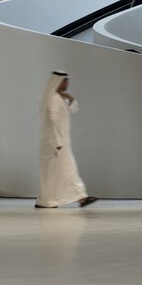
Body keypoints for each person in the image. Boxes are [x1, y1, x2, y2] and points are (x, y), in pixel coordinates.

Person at [35, 71, 98, 209]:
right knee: (54, 172)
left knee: (67, 170)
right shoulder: (52, 98)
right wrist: (57, 143)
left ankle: (81, 197)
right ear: (58, 81)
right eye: (65, 80)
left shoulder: (60, 98)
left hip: (62, 143)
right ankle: (49, 200)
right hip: (55, 143)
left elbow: (74, 110)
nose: (67, 83)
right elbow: (53, 121)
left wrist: (70, 99)